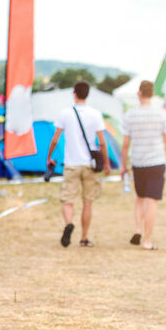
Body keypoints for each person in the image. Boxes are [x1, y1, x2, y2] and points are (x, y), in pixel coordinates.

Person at [46, 81, 111, 247]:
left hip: (71, 163)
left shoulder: (65, 113)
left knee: (68, 200)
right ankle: (84, 238)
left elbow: (55, 139)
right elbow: (102, 143)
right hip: (90, 164)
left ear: (74, 93)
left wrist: (49, 157)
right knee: (87, 202)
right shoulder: (95, 114)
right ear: (87, 94)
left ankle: (69, 223)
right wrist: (106, 162)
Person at [120, 80, 166, 250]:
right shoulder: (160, 114)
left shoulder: (130, 115)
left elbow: (125, 144)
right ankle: (147, 240)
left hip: (138, 161)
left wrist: (124, 165)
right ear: (152, 95)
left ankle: (138, 228)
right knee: (151, 200)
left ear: (139, 94)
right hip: (156, 161)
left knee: (140, 197)